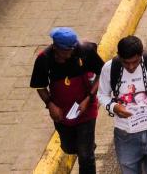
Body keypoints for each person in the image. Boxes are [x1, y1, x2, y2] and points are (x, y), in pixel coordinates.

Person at [97, 36, 147, 174]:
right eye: (126, 63)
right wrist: (114, 107)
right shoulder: (109, 69)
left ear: (141, 55)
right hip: (125, 135)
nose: (131, 67)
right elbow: (102, 94)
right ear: (119, 56)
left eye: (135, 62)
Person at [30, 27, 103, 174]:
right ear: (55, 47)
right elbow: (40, 86)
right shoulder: (43, 59)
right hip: (61, 113)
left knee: (85, 155)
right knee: (69, 147)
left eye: (72, 50)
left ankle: (87, 147)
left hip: (86, 109)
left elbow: (103, 73)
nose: (69, 55)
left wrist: (88, 98)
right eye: (65, 51)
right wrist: (50, 105)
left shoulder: (85, 51)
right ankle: (87, 144)